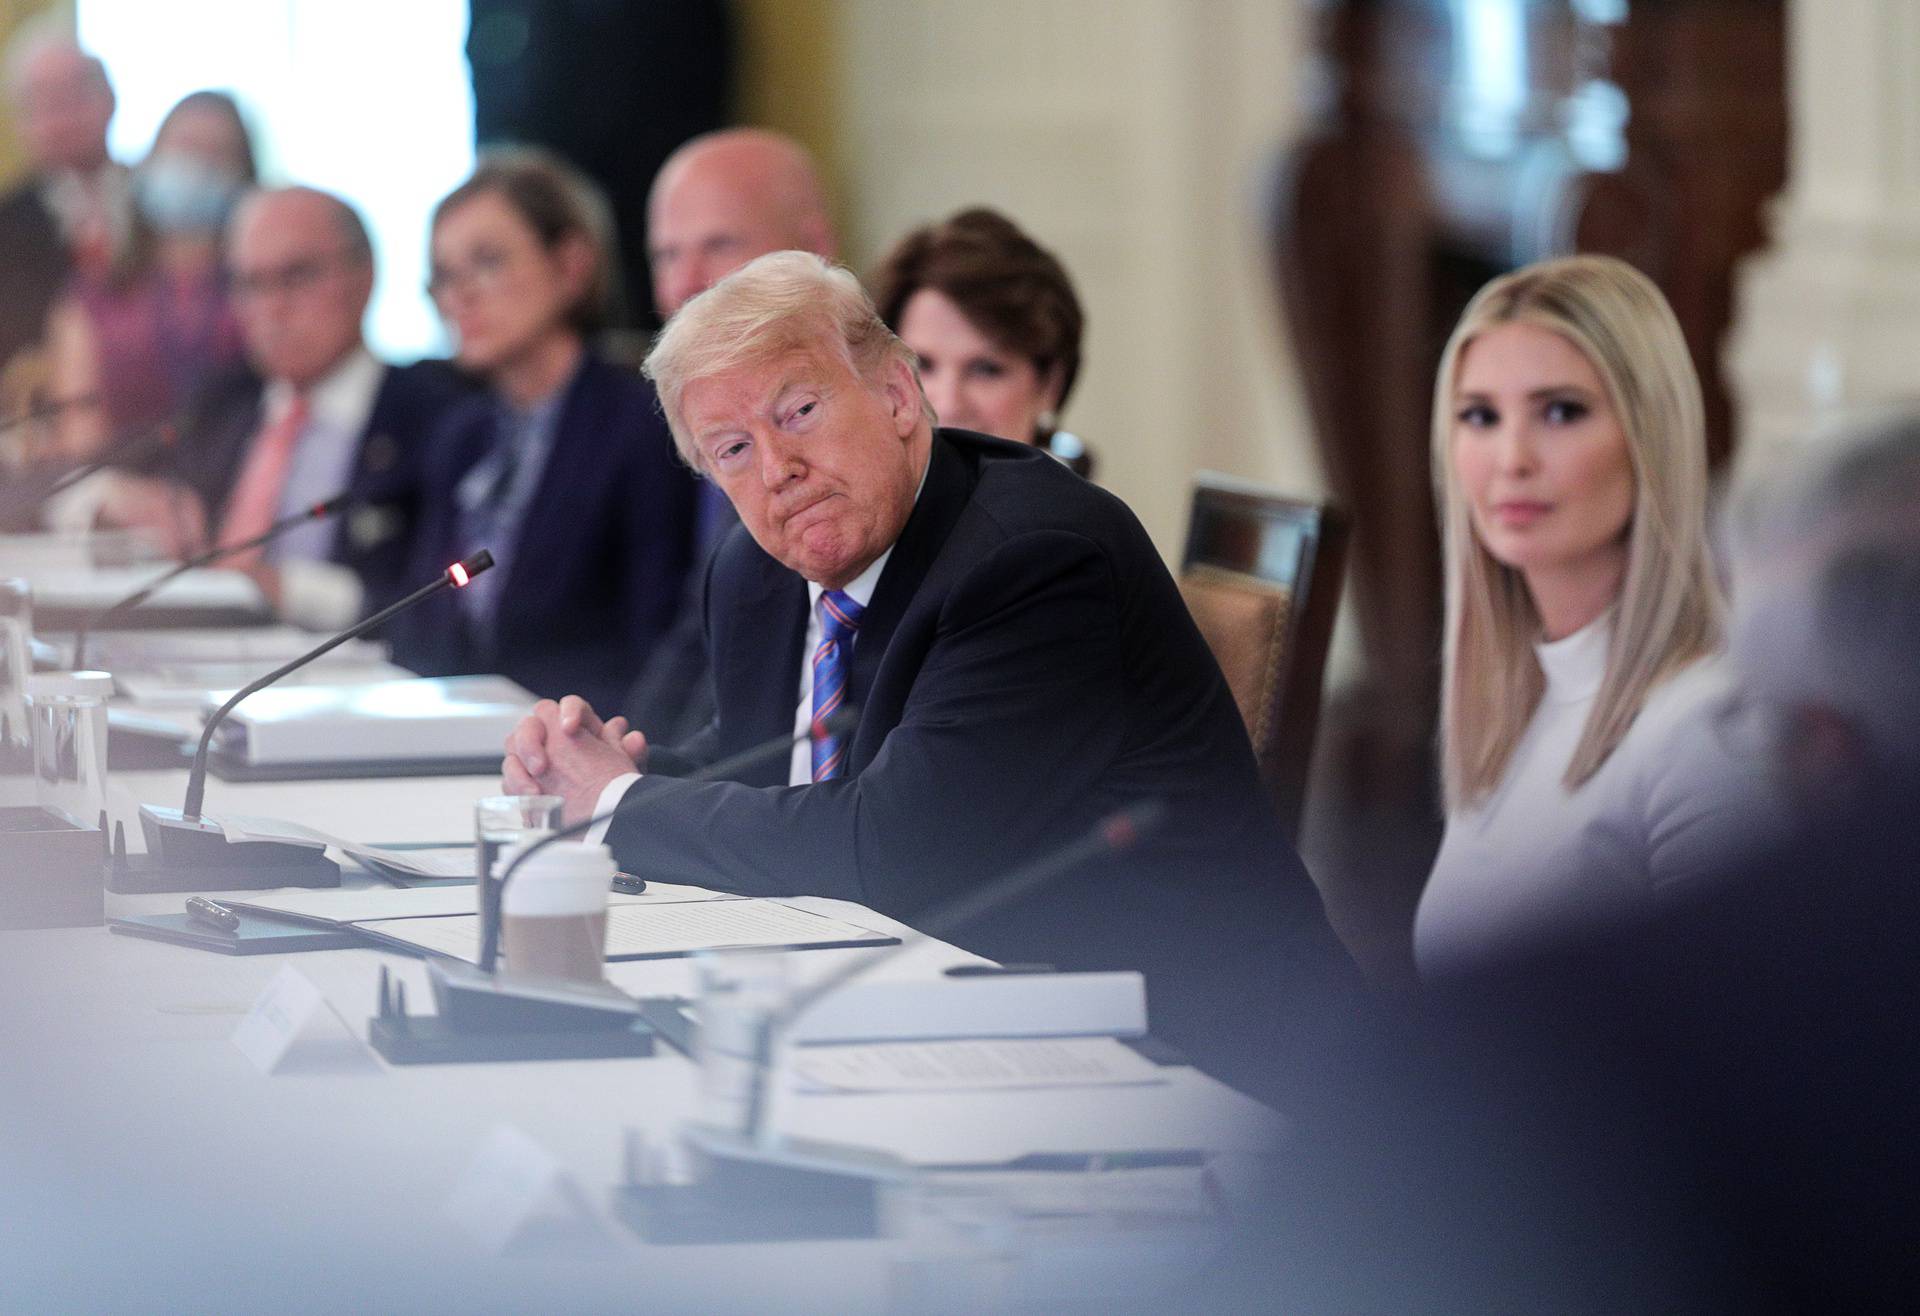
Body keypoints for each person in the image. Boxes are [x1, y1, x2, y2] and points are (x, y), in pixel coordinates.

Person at [502, 251, 1353, 1094]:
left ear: (899, 397)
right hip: (939, 1025)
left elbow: (903, 849)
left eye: (797, 411)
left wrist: (620, 807)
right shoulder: (756, 572)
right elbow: (780, 763)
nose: (776, 470)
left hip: (1192, 1064)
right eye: (731, 449)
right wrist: (626, 773)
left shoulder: (1032, 561)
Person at [1412, 254, 1774, 979]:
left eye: (1560, 412)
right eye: (1479, 416)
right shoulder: (1507, 707)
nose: (1511, 458)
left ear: (1649, 438)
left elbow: (1739, 1054)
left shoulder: (1704, 729)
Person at [56, 187, 471, 624]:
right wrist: (110, 498)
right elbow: (63, 486)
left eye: (296, 276)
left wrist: (281, 587)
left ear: (364, 276)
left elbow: (444, 601)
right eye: (250, 283)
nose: (272, 306)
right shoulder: (224, 402)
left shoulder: (434, 413)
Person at [388, 148, 697, 711]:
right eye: (443, 277)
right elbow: (421, 635)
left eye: (486, 262)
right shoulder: (461, 438)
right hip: (453, 743)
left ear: (571, 264)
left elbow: (657, 648)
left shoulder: (642, 425)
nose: (460, 297)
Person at [619, 127, 840, 744]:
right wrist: (622, 760)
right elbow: (699, 634)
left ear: (815, 247)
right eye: (666, 254)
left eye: (718, 244)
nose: (685, 282)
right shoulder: (679, 409)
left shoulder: (853, 416)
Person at [43, 89, 254, 463]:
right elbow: (78, 428)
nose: (197, 165)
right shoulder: (97, 294)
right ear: (153, 158)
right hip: (122, 497)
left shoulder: (258, 288)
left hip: (240, 489)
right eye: (185, 148)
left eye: (216, 153)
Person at [868, 206, 1094, 476]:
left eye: (985, 369)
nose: (948, 405)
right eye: (920, 366)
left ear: (1050, 386)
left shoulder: (1082, 516)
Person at [0, 25, 126, 381]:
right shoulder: (8, 223)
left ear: (110, 99)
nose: (62, 117)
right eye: (44, 102)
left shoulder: (158, 201)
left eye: (77, 95)